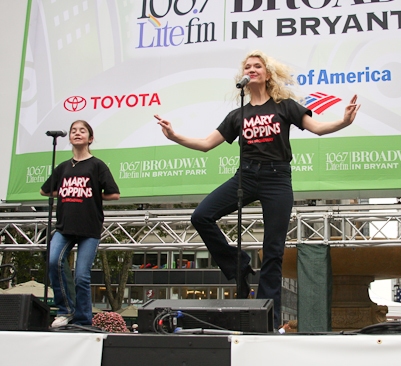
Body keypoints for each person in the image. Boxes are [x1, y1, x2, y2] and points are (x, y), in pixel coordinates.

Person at [156, 50, 360, 328]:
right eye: (247, 67)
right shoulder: (238, 114)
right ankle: (238, 263)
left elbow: (318, 128)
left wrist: (344, 121)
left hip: (277, 179)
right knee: (201, 216)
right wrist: (174, 135)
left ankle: (269, 320)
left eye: (257, 66)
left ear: (267, 74)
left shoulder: (284, 106)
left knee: (273, 250)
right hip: (246, 176)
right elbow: (206, 143)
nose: (251, 70)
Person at [41, 120, 120, 327]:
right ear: (69, 138)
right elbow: (44, 190)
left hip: (89, 228)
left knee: (82, 277)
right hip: (64, 226)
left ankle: (83, 320)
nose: (77, 133)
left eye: (82, 131)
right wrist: (68, 191)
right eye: (74, 131)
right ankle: (65, 310)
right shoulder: (63, 167)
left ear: (90, 138)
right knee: (53, 262)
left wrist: (91, 194)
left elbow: (114, 194)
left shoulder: (97, 165)